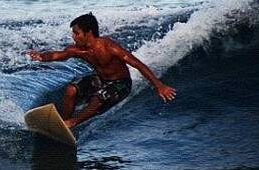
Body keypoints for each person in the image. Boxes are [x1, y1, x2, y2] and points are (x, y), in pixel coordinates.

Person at [27, 13, 176, 129]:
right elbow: (57, 55)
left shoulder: (109, 47)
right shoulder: (78, 49)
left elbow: (138, 64)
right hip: (102, 79)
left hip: (121, 84)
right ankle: (64, 122)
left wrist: (159, 86)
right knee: (71, 89)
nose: (73, 36)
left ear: (88, 33)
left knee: (99, 97)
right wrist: (41, 56)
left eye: (76, 33)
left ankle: (72, 122)